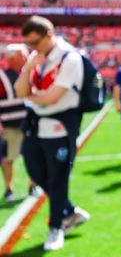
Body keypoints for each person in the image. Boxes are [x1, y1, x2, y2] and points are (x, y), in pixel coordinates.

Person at [14, 16, 90, 251]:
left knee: (57, 179)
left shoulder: (70, 57)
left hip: (60, 126)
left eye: (35, 42)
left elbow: (52, 98)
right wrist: (28, 67)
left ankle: (56, 227)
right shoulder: (38, 58)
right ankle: (69, 211)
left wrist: (31, 98)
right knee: (35, 171)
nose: (32, 49)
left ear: (49, 35)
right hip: (36, 125)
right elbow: (20, 92)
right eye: (29, 44)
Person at [0, 44, 41, 202]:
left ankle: (33, 185)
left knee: (33, 156)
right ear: (12, 57)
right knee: (8, 158)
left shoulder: (30, 72)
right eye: (23, 54)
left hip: (31, 122)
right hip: (10, 123)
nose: (26, 57)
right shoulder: (2, 76)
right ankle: (8, 189)